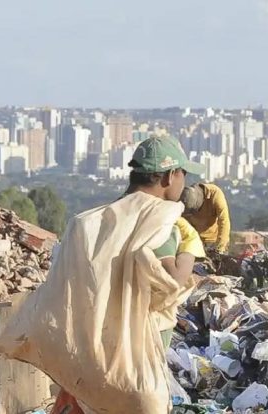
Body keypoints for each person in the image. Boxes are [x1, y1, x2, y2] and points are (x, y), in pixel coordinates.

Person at [49, 135, 206, 414]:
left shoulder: (95, 220)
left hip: (91, 349)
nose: (185, 183)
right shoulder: (156, 221)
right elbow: (172, 281)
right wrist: (190, 247)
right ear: (169, 176)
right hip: (135, 358)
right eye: (183, 174)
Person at [180, 182, 231, 254]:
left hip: (215, 241)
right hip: (196, 241)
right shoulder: (184, 199)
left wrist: (220, 248)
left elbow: (224, 220)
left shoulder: (215, 193)